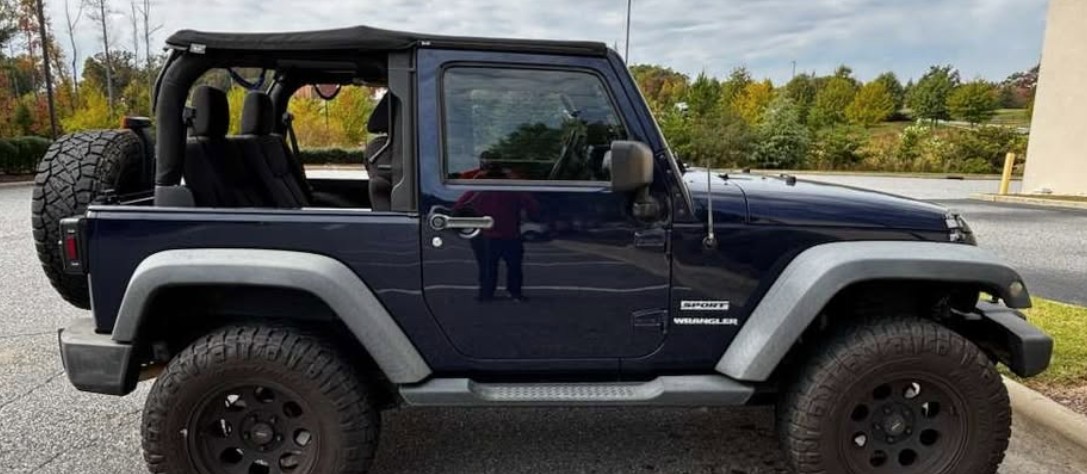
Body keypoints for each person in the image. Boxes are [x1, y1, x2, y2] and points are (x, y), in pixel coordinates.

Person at [453, 154, 538, 302]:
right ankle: (514, 293)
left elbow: (459, 207)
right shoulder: (513, 190)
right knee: (514, 267)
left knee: (487, 267)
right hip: (511, 234)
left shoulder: (478, 189)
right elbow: (532, 207)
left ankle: (486, 294)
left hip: (487, 235)